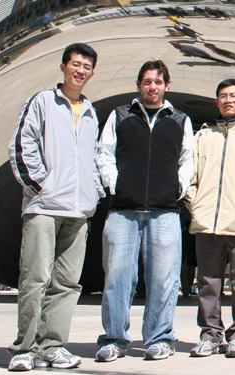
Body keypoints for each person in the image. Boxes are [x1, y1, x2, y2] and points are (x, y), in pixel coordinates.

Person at [7, 43, 104, 371]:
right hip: (45, 207)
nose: (81, 71)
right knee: (35, 277)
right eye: (76, 64)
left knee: (67, 283)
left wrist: (94, 193)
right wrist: (39, 185)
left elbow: (92, 159)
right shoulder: (42, 102)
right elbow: (23, 143)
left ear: (92, 72)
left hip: (78, 213)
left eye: (87, 66)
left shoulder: (90, 112)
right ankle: (25, 348)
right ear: (63, 67)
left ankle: (53, 346)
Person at [96, 60, 194, 362]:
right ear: (139, 85)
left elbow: (187, 158)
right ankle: (114, 338)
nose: (153, 87)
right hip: (124, 209)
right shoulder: (121, 115)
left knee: (164, 278)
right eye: (147, 82)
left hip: (164, 211)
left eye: (158, 82)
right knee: (117, 278)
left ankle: (160, 337)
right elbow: (105, 154)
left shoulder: (179, 119)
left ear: (167, 85)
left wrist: (179, 186)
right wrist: (115, 185)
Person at [185, 79, 235, 358]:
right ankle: (210, 334)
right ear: (216, 101)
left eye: (233, 96)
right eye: (223, 96)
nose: (228, 100)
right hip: (207, 222)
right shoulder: (203, 136)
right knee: (208, 282)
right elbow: (188, 176)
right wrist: (194, 205)